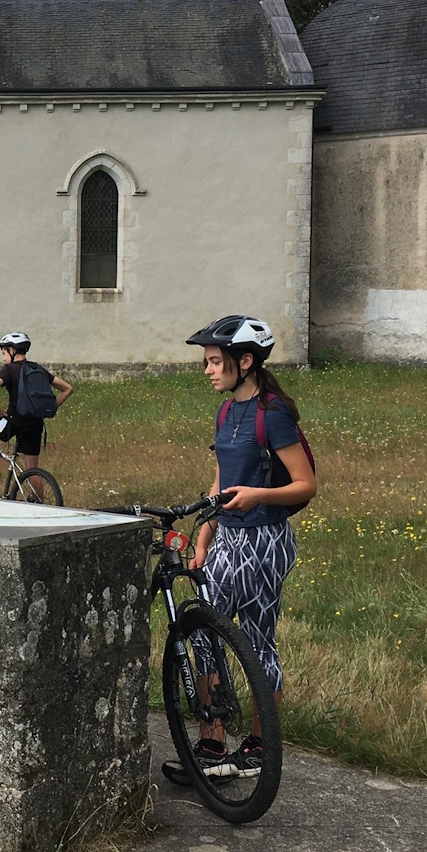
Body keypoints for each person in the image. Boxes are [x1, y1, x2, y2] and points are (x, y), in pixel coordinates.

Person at [173, 315, 316, 784]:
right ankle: (213, 741)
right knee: (200, 628)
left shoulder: (271, 413)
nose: (208, 371)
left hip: (263, 541)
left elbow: (305, 485)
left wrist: (258, 497)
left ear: (246, 361)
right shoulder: (226, 411)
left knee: (256, 643)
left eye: (216, 362)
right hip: (228, 539)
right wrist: (204, 534)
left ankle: (257, 746)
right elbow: (221, 479)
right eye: (208, 362)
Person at [0, 331, 73, 495]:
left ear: (12, 350)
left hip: (14, 420)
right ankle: (41, 506)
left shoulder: (9, 369)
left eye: (4, 352)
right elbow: (68, 389)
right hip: (36, 423)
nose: (3, 357)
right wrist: (50, 408)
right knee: (32, 469)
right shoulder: (37, 369)